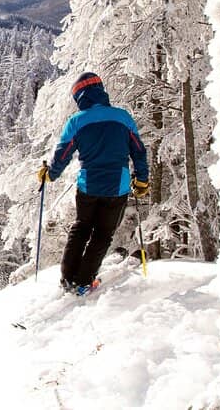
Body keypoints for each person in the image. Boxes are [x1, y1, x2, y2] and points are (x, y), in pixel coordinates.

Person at [37, 72, 149, 296]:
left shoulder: (76, 121)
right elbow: (138, 151)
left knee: (80, 228)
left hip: (88, 186)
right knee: (103, 234)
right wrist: (142, 180)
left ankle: (68, 278)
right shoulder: (123, 117)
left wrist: (50, 174)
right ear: (101, 90)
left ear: (79, 97)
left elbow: (62, 155)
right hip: (117, 186)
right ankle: (84, 281)